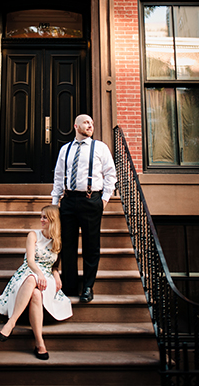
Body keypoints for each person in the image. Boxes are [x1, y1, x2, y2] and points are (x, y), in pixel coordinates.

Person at [51, 114, 116, 304]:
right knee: (68, 246)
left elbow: (110, 175)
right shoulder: (65, 150)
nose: (90, 126)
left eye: (92, 123)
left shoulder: (100, 148)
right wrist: (55, 203)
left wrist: (103, 200)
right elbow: (58, 176)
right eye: (86, 123)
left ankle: (88, 286)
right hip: (69, 201)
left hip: (91, 200)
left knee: (91, 245)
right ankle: (69, 286)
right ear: (76, 126)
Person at [0, 205, 72, 360]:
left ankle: (14, 325)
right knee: (33, 285)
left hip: (47, 278)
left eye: (45, 217)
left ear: (53, 220)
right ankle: (37, 341)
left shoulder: (59, 241)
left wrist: (56, 274)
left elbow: (55, 266)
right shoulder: (33, 235)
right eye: (41, 216)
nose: (41, 220)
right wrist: (38, 274)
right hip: (28, 272)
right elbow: (30, 261)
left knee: (37, 291)